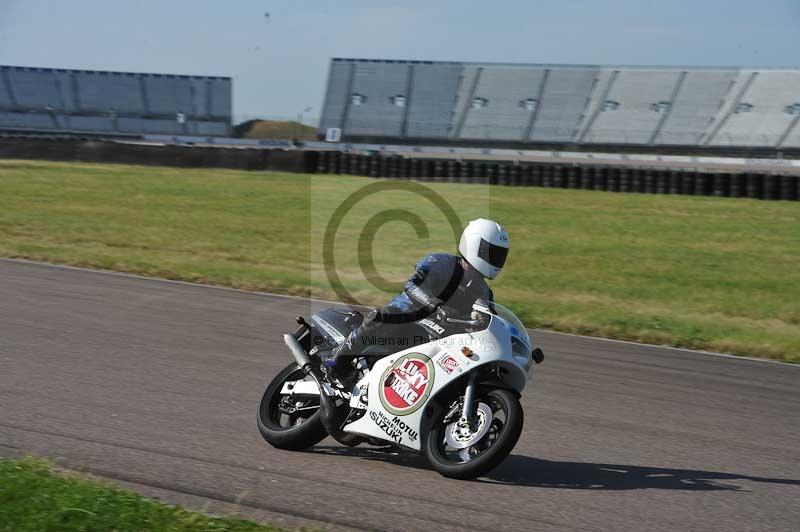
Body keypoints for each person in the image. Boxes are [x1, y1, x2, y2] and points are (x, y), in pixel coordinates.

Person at [324, 218, 510, 385]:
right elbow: (411, 285)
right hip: (408, 317)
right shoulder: (440, 262)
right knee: (380, 318)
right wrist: (434, 305)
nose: (496, 260)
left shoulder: (483, 291)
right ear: (476, 246)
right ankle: (337, 361)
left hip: (442, 337)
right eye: (492, 253)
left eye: (500, 255)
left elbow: (489, 319)